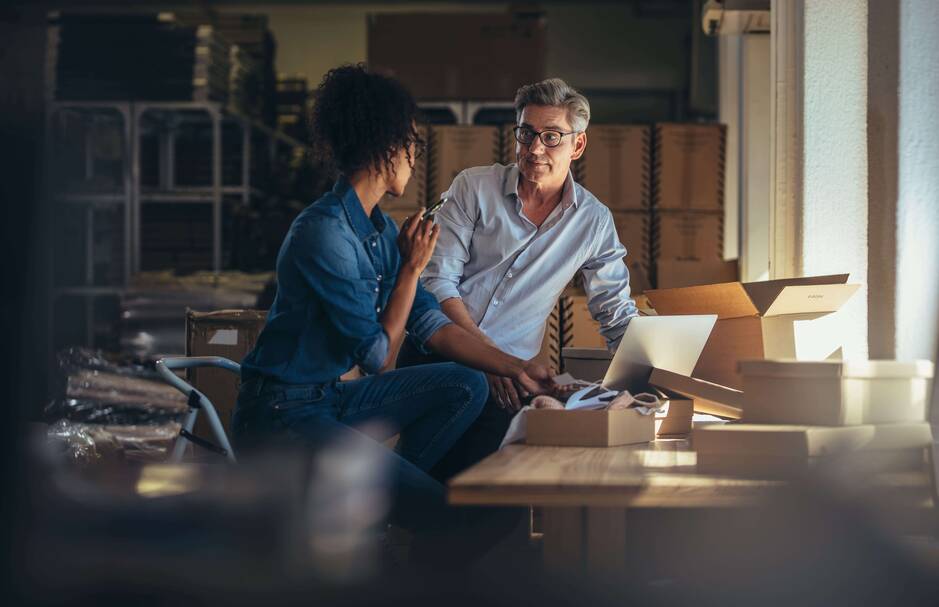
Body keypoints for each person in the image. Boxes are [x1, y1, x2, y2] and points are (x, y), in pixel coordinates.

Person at [231, 64, 556, 566]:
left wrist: (516, 367)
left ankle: (378, 506)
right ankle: (391, 508)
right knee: (452, 514)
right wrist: (410, 270)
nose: (414, 158)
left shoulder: (378, 229)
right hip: (281, 414)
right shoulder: (324, 234)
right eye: (412, 145)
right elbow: (378, 357)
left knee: (466, 382)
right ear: (387, 147)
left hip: (328, 398)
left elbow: (432, 323)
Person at [400, 78, 639, 479]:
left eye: (551, 137)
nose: (535, 149)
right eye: (526, 133)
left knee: (494, 491)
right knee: (427, 485)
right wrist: (493, 360)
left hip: (512, 385)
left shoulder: (593, 222)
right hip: (437, 357)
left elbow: (615, 313)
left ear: (577, 146)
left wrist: (652, 371)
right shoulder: (474, 187)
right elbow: (436, 283)